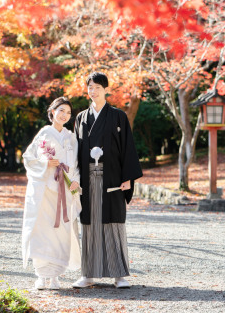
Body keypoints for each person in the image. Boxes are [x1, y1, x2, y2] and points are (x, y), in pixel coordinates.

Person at [73, 72, 143, 289]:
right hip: (88, 178)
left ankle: (119, 274)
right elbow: (75, 151)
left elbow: (127, 148)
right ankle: (88, 274)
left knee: (113, 223)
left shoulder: (118, 116)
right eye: (90, 87)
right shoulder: (81, 118)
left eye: (96, 87)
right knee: (90, 224)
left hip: (112, 178)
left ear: (105, 89)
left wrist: (127, 178)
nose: (92, 91)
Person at [22, 97, 81, 290]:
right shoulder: (44, 133)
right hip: (46, 190)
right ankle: (41, 276)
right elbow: (28, 158)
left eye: (68, 113)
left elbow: (77, 165)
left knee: (62, 234)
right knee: (43, 231)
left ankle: (55, 276)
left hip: (65, 192)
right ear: (52, 111)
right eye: (61, 110)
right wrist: (45, 163)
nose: (64, 115)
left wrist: (75, 181)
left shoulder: (71, 137)